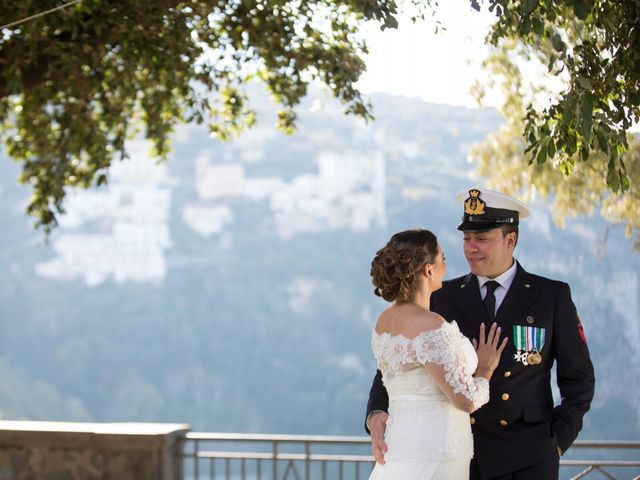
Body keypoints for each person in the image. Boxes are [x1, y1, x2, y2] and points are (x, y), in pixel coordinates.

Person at [366, 188, 596, 480]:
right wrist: (375, 413)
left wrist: (556, 443)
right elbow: (394, 365)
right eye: (466, 238)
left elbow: (579, 380)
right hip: (460, 459)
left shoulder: (551, 297)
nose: (471, 247)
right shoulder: (438, 297)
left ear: (510, 240)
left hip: (528, 460)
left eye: (482, 239)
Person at [367, 229, 508, 480]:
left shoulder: (384, 320)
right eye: (442, 258)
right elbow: (464, 400)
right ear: (428, 270)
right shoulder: (431, 325)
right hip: (437, 451)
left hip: (399, 447)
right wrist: (485, 370)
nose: (445, 265)